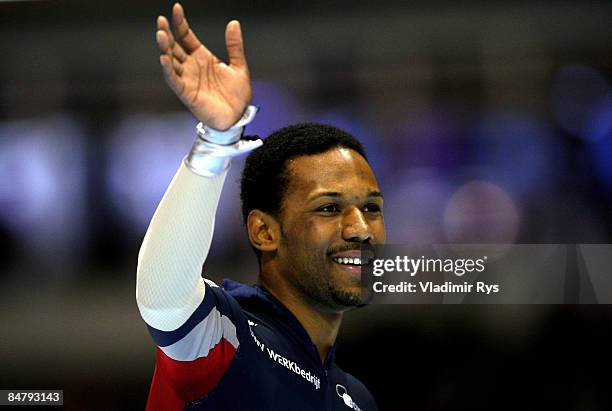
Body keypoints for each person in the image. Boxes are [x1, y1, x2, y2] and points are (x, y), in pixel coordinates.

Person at [136, 3, 385, 410]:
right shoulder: (229, 334)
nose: (360, 228)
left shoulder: (357, 399)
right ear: (264, 232)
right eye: (327, 208)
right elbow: (162, 299)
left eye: (371, 208)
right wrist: (216, 143)